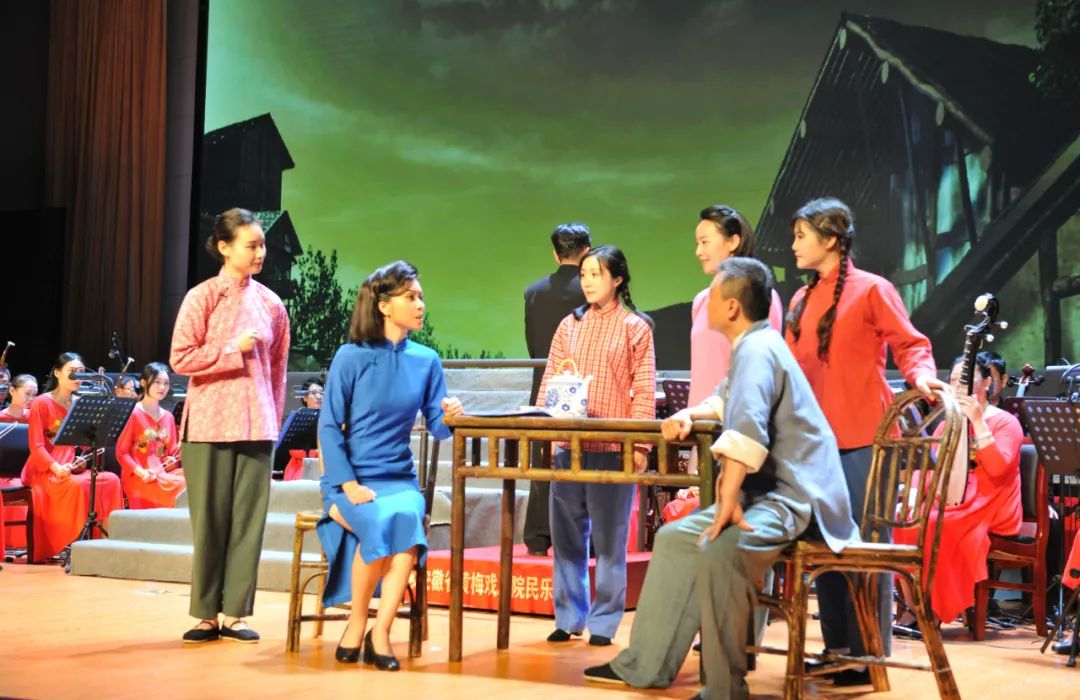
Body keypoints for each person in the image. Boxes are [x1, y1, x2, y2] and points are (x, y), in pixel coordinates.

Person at [585, 258, 858, 698]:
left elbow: (747, 430)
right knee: (674, 539)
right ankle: (645, 663)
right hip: (770, 495)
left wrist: (728, 497)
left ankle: (724, 688)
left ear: (732, 307)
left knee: (718, 548)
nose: (705, 302)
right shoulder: (753, 345)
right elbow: (724, 399)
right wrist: (688, 414)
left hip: (797, 498)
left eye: (713, 294)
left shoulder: (759, 349)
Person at [785, 197, 948, 683]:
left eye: (801, 236)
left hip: (864, 440)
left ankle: (868, 653)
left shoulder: (873, 289)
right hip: (814, 445)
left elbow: (911, 344)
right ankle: (838, 648)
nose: (793, 246)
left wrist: (921, 375)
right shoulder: (799, 299)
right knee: (824, 546)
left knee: (863, 547)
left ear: (831, 239)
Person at [317, 261, 463, 670]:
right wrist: (348, 485)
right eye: (410, 297)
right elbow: (328, 426)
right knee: (381, 521)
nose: (420, 305)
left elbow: (439, 427)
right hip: (349, 479)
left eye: (421, 297)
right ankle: (356, 623)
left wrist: (451, 414)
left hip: (399, 479)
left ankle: (380, 632)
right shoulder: (351, 356)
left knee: (406, 521)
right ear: (383, 306)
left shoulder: (426, 360)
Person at [170, 207, 290, 644]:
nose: (260, 253)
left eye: (262, 245)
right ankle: (205, 614)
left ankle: (235, 613)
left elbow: (277, 372)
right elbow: (180, 358)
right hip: (208, 424)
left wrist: (273, 420)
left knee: (248, 523)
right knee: (210, 522)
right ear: (224, 247)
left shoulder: (272, 304)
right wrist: (230, 349)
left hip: (257, 424)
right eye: (251, 245)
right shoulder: (201, 297)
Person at [536, 244, 656, 647]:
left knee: (609, 540)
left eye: (596, 274)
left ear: (617, 279)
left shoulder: (635, 327)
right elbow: (550, 381)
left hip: (612, 447)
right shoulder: (569, 325)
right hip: (568, 445)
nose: (587, 282)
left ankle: (604, 623)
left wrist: (639, 446)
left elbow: (644, 390)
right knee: (566, 537)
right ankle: (568, 616)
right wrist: (547, 433)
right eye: (584, 274)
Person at [663, 204, 784, 524]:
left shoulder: (761, 298)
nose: (698, 251)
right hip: (702, 427)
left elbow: (761, 372)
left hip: (741, 431)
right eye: (697, 243)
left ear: (733, 241)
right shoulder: (703, 301)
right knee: (700, 522)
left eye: (705, 242)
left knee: (737, 526)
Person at [893, 355, 1022, 628]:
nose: (957, 386)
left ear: (986, 384)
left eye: (965, 380)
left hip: (990, 503)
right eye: (952, 380)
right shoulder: (945, 424)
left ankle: (933, 610)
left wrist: (977, 420)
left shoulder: (1006, 423)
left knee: (936, 524)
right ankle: (915, 608)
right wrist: (913, 499)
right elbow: (927, 468)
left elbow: (998, 470)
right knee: (905, 520)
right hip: (952, 500)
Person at [522, 222, 590, 555]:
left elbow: (532, 344)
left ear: (555, 254)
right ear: (587, 252)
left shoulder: (533, 292)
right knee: (581, 459)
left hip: (544, 383)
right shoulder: (591, 292)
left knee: (541, 460)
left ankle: (537, 536)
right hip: (583, 386)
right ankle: (579, 535)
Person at [20, 353, 125, 562]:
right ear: (58, 373)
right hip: (45, 468)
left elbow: (84, 443)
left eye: (81, 372)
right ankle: (74, 544)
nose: (78, 376)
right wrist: (55, 467)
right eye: (72, 371)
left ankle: (106, 544)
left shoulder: (80, 402)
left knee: (111, 480)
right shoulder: (42, 402)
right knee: (76, 486)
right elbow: (36, 446)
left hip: (71, 466)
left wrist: (94, 438)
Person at [115, 363, 186, 509]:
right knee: (184, 485)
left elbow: (171, 452)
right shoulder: (133, 413)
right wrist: (141, 473)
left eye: (166, 383)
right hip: (139, 477)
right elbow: (121, 453)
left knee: (197, 479)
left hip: (162, 473)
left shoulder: (168, 417)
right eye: (157, 382)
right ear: (143, 382)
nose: (162, 387)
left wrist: (176, 456)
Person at [0, 374, 36, 555]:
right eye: (27, 393)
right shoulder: (1, 418)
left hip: (28, 472)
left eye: (34, 395)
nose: (31, 399)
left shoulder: (34, 418)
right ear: (12, 391)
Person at [280, 377, 323, 481]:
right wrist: (318, 452)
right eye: (314, 393)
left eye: (321, 393)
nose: (319, 396)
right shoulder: (298, 418)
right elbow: (294, 450)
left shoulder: (330, 418)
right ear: (305, 397)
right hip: (301, 466)